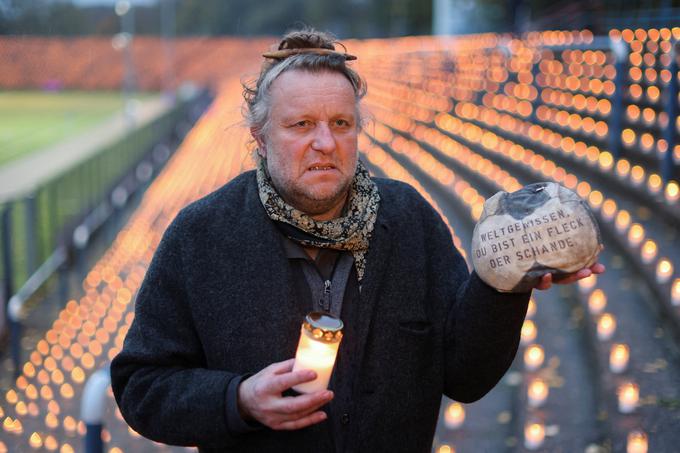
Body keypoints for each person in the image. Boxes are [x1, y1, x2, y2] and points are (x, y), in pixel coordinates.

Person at [110, 29, 604, 453]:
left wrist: (503, 287)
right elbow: (141, 386)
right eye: (301, 124)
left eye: (341, 124)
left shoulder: (408, 219)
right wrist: (238, 399)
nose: (325, 143)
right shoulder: (201, 236)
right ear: (260, 137)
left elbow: (466, 377)